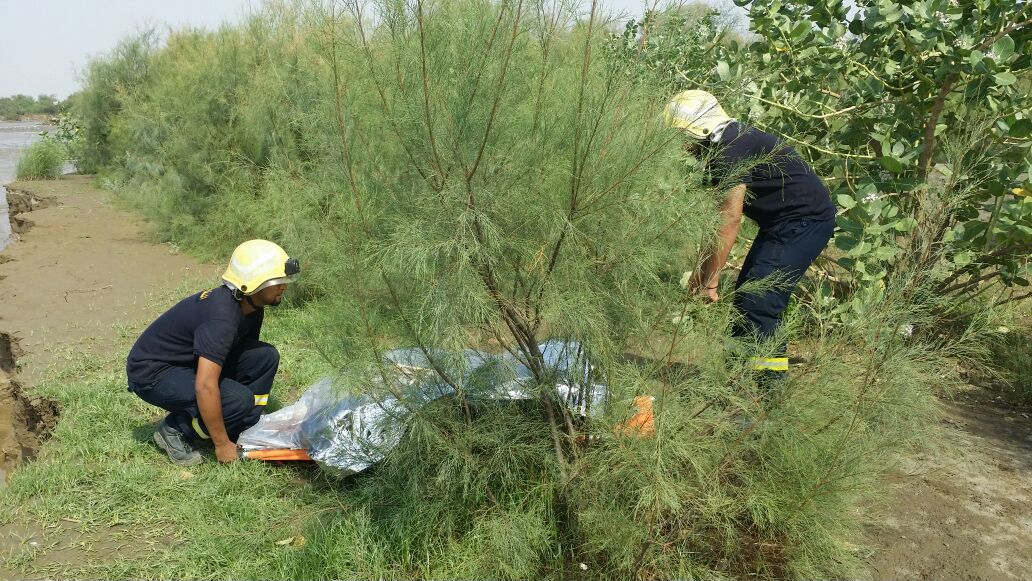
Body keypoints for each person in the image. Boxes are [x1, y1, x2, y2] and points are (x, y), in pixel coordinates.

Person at [665, 90, 836, 383]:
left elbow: (729, 220)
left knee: (761, 300)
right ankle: (737, 383)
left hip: (805, 221)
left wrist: (710, 280)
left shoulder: (730, 149)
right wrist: (703, 271)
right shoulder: (729, 142)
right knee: (747, 297)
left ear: (699, 130)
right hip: (783, 223)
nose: (681, 145)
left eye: (682, 136)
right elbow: (715, 223)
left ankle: (769, 393)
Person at [126, 239, 300, 466]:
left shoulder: (251, 307)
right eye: (277, 281)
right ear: (253, 284)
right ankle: (175, 430)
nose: (284, 286)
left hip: (188, 363)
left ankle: (246, 426)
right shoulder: (222, 318)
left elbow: (238, 355)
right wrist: (221, 444)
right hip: (152, 373)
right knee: (237, 400)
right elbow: (205, 385)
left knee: (264, 357)